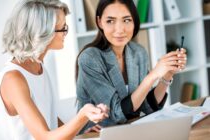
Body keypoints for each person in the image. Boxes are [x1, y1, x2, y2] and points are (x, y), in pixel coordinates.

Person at [0, 0, 109, 139]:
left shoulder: (39, 66)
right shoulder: (13, 79)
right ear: (41, 33)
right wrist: (82, 116)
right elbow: (45, 137)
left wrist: (79, 131)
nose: (65, 33)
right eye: (62, 28)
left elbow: (50, 121)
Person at [76, 0, 187, 133]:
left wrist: (167, 75)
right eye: (110, 21)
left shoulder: (138, 52)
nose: (120, 29)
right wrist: (152, 76)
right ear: (100, 22)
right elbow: (117, 114)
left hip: (130, 131)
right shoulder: (90, 58)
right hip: (96, 135)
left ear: (134, 21)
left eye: (127, 20)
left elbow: (146, 107)